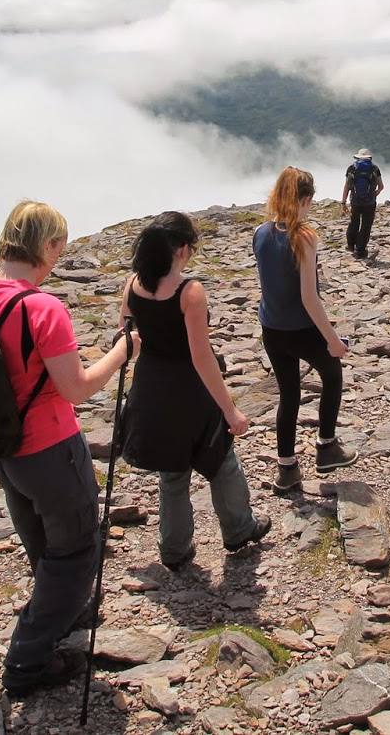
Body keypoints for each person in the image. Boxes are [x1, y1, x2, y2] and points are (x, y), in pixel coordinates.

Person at [0, 200, 136, 699]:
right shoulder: (41, 307)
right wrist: (122, 351)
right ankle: (29, 659)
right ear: (47, 247)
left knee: (40, 540)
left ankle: (61, 609)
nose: (59, 259)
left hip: (0, 450)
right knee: (74, 550)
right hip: (50, 448)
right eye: (59, 248)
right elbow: (75, 389)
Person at [118, 212, 271, 570]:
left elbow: (127, 330)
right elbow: (201, 357)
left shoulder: (132, 284)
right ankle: (238, 529)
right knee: (220, 459)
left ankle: (174, 549)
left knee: (172, 472)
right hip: (189, 389)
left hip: (151, 386)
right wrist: (230, 411)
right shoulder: (190, 292)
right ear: (182, 249)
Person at [253, 167, 357, 493]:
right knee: (332, 375)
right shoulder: (305, 237)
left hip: (271, 327)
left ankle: (286, 469)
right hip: (302, 329)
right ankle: (326, 448)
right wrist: (333, 341)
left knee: (289, 395)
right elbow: (309, 299)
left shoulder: (260, 232)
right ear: (305, 199)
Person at [340, 147, 385, 259]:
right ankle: (360, 250)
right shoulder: (374, 168)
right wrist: (375, 193)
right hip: (369, 202)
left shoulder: (351, 168)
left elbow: (347, 186)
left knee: (354, 222)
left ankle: (351, 245)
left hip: (355, 200)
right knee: (366, 225)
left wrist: (343, 202)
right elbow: (381, 186)